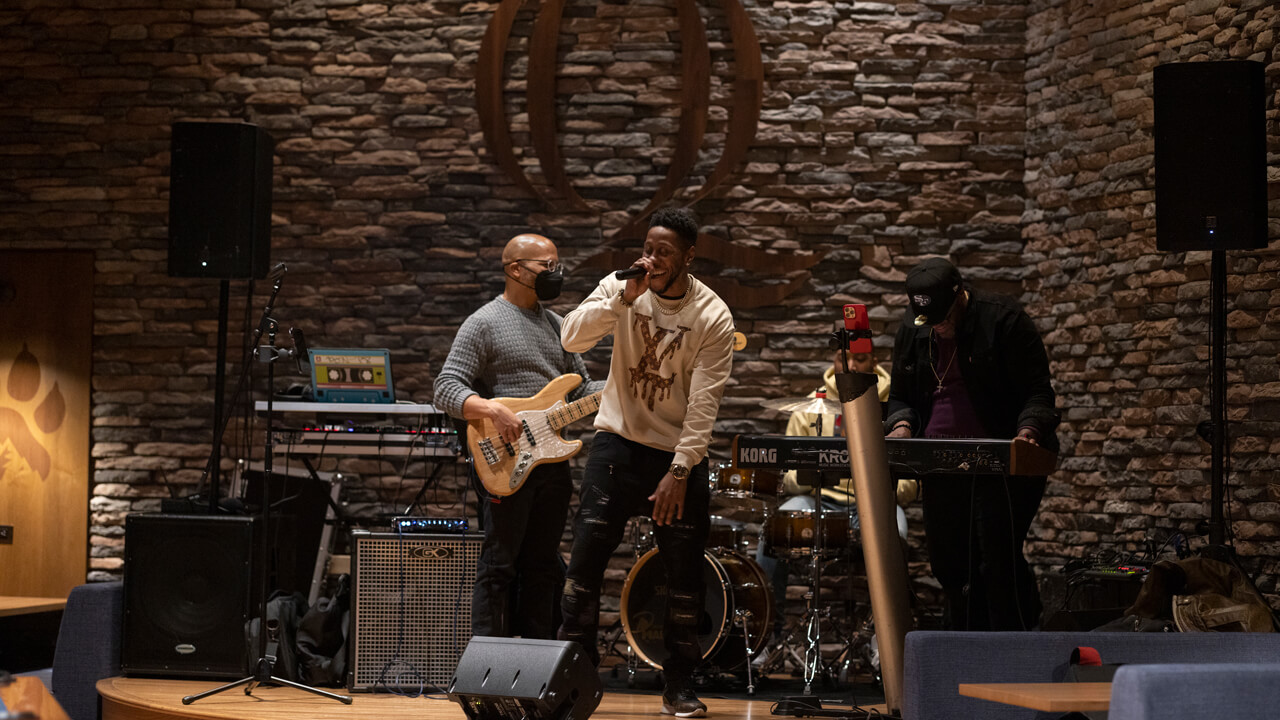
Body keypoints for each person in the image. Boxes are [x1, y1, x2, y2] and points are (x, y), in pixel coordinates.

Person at [558, 207, 734, 718]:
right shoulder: (623, 288)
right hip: (617, 444)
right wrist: (621, 297)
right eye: (649, 249)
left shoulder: (712, 316)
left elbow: (704, 403)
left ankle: (679, 686)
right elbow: (571, 337)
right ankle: (576, 680)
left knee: (683, 577)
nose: (652, 260)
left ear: (688, 257)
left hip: (676, 454)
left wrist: (680, 471)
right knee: (584, 567)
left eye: (664, 253)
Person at [433, 233, 604, 640]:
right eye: (547, 266)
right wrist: (491, 408)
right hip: (504, 460)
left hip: (551, 463)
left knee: (543, 567)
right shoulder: (484, 322)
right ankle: (486, 664)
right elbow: (446, 387)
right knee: (499, 565)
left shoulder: (559, 325)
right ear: (515, 269)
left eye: (557, 265)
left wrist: (623, 382)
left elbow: (578, 390)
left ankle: (534, 666)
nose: (555, 273)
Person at [885, 257, 1059, 631]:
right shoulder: (914, 329)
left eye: (944, 318)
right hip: (941, 462)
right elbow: (900, 395)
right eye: (929, 322)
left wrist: (1028, 431)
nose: (939, 328)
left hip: (1001, 458)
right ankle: (962, 651)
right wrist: (900, 427)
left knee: (996, 560)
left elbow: (1038, 393)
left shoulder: (1004, 319)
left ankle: (1012, 652)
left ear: (959, 295)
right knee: (949, 565)